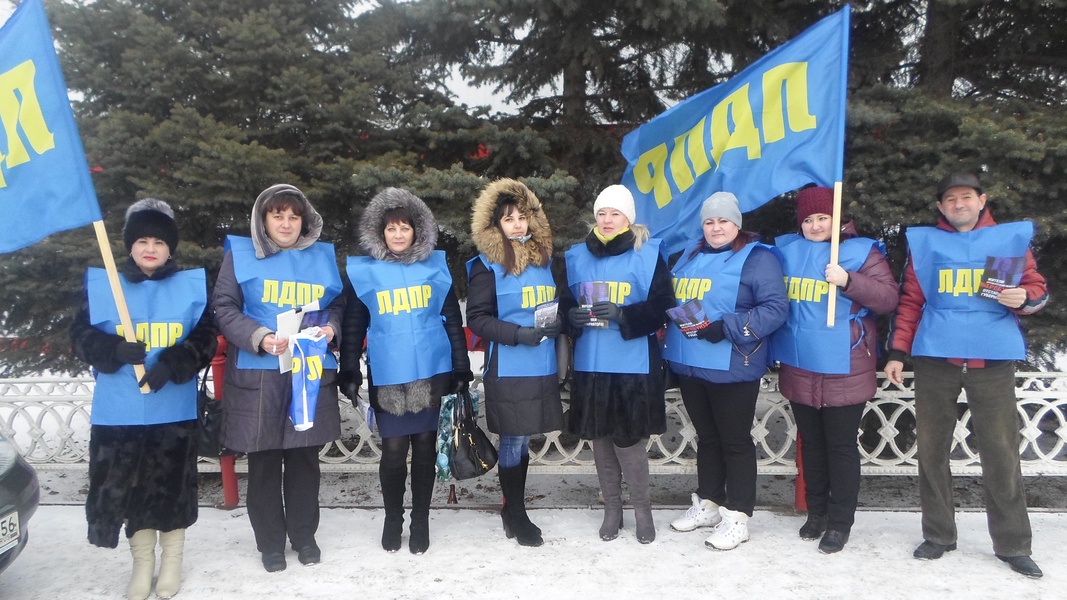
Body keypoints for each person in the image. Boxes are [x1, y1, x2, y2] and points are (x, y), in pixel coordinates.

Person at [885, 172, 1048, 578]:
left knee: (1001, 451)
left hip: (990, 361)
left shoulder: (1005, 243)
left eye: (966, 197)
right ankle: (939, 534)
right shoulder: (929, 245)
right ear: (941, 207)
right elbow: (911, 301)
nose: (959, 204)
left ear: (982, 200)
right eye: (950, 199)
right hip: (937, 360)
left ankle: (1012, 543)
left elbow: (1035, 288)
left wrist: (1024, 298)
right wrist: (898, 352)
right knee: (932, 450)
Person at [71, 199, 217, 600]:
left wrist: (175, 361)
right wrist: (112, 348)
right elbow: (79, 336)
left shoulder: (189, 289)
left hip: (172, 411)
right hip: (120, 412)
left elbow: (206, 338)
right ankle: (141, 563)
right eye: (141, 241)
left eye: (158, 241)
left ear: (171, 249)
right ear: (129, 246)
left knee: (170, 486)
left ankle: (171, 560)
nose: (149, 248)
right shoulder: (106, 289)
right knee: (132, 489)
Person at [213, 184, 344, 573]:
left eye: (293, 216)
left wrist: (332, 329)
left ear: (304, 220)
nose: (286, 224)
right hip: (260, 375)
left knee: (305, 458)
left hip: (307, 371)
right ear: (263, 219)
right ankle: (270, 543)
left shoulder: (321, 258)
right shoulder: (240, 256)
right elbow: (224, 306)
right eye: (277, 215)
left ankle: (304, 536)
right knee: (265, 460)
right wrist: (259, 337)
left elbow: (337, 303)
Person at [339, 188, 471, 555]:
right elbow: (353, 326)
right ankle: (393, 517)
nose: (398, 235)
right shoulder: (366, 273)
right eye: (391, 229)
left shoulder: (434, 268)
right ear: (380, 233)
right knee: (394, 451)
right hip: (389, 377)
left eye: (405, 228)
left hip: (433, 372)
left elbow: (451, 321)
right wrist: (348, 369)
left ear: (418, 231)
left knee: (426, 449)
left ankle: (421, 520)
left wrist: (461, 366)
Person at [771, 186, 899, 553]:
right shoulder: (789, 253)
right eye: (808, 219)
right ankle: (817, 512)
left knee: (840, 445)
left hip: (846, 363)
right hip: (801, 361)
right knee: (810, 443)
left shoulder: (862, 251)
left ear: (838, 218)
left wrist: (848, 281)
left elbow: (888, 297)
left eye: (822, 217)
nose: (814, 225)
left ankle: (839, 523)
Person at [663, 191, 788, 550]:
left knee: (734, 442)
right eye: (709, 221)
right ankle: (709, 503)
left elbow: (776, 308)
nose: (716, 228)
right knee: (708, 437)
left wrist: (729, 326)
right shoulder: (689, 254)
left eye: (723, 221)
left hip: (732, 364)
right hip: (690, 362)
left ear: (738, 223)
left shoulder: (758, 258)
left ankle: (738, 516)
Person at [560, 185, 675, 544]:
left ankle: (643, 510)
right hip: (592, 364)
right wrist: (571, 317)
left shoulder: (649, 252)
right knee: (601, 440)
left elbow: (663, 306)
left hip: (633, 365)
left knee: (629, 442)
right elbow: (563, 304)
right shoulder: (576, 256)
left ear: (629, 218)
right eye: (602, 214)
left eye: (616, 214)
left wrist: (625, 314)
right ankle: (612, 509)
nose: (607, 220)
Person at [466, 179, 564, 547]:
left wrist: (558, 323)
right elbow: (477, 318)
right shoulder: (486, 266)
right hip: (508, 364)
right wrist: (516, 334)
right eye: (509, 219)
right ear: (495, 224)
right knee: (512, 438)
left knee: (523, 440)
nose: (518, 224)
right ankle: (517, 513)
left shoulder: (544, 260)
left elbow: (556, 304)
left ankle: (513, 507)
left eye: (522, 217)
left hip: (541, 363)